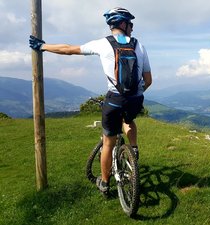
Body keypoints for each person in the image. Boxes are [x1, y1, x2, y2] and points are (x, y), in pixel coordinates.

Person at [29, 7, 152, 195]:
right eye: (131, 24)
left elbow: (68, 50)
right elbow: (148, 80)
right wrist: (135, 93)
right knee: (129, 120)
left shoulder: (102, 44)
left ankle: (104, 183)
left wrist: (43, 46)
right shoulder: (139, 46)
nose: (132, 28)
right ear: (123, 24)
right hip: (135, 99)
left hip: (114, 99)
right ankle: (133, 149)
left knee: (108, 142)